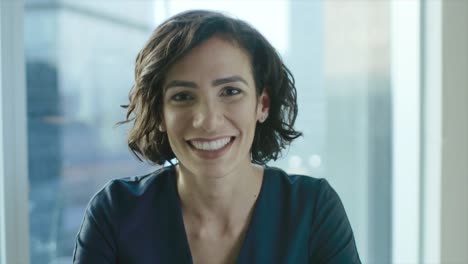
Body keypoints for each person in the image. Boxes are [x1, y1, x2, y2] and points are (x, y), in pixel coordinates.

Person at [73, 10, 361, 264]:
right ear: (160, 113)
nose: (208, 121)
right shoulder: (114, 213)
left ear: (262, 104)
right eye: (183, 96)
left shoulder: (312, 210)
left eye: (230, 92)